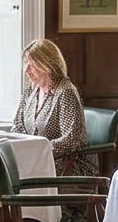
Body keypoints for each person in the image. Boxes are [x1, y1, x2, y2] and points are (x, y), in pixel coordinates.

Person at [14, 39, 95, 182]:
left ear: (47, 65)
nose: (26, 70)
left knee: (12, 178)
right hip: (38, 160)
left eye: (31, 64)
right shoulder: (31, 91)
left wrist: (38, 150)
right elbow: (17, 125)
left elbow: (70, 140)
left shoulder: (65, 92)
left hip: (67, 165)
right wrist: (24, 148)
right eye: (25, 63)